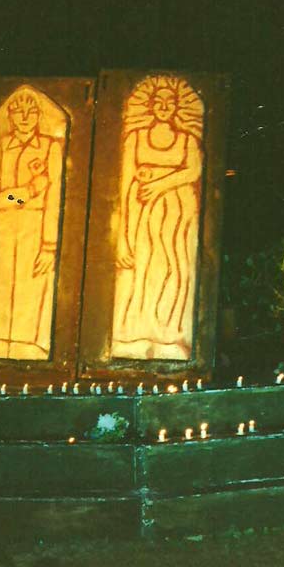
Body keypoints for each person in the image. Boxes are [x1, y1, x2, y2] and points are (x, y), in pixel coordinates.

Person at [112, 76, 205, 360]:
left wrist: (160, 184)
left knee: (174, 270)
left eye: (170, 101)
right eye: (159, 101)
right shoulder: (136, 138)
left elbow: (193, 171)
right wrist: (124, 235)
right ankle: (136, 333)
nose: (164, 106)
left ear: (177, 107)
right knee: (142, 271)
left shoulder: (187, 139)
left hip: (178, 217)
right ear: (151, 106)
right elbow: (126, 182)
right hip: (143, 215)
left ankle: (169, 334)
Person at [0, 87, 64, 360]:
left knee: (30, 289)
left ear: (38, 115)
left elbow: (56, 196)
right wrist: (27, 191)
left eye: (30, 111)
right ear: (10, 116)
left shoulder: (50, 148)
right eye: (18, 111)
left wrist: (49, 244)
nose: (24, 117)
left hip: (35, 226)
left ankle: (31, 347)